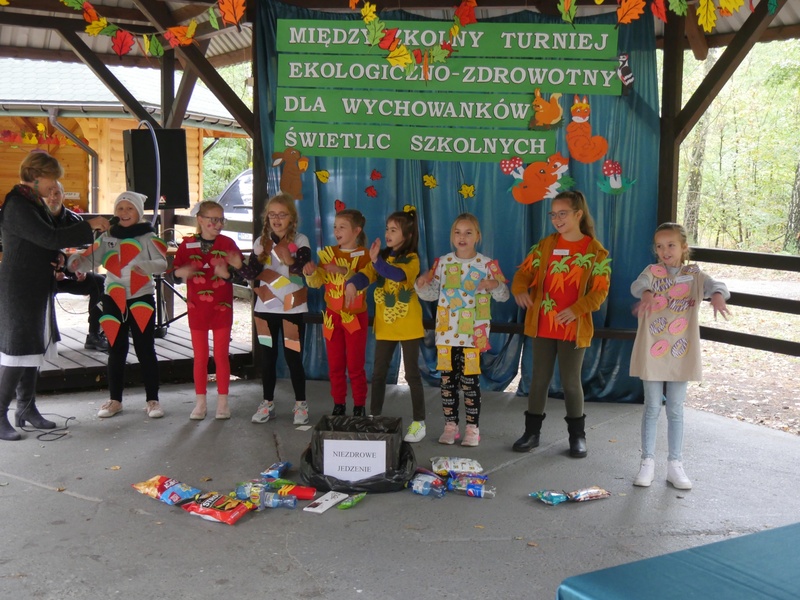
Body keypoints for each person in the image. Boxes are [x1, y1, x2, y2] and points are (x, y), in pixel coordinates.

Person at [0, 151, 108, 441]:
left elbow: (48, 239)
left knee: (32, 349)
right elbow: (48, 237)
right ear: (36, 176)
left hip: (35, 285)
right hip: (19, 288)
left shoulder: (32, 202)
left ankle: (26, 409)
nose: (54, 186)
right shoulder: (17, 204)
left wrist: (58, 255)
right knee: (17, 351)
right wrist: (89, 225)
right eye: (52, 179)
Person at [511, 190, 611, 458]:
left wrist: (576, 309)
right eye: (553, 214)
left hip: (573, 328)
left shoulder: (595, 251)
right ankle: (531, 433)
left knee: (570, 382)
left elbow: (600, 291)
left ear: (578, 214)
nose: (557, 219)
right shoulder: (545, 245)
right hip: (543, 325)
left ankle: (577, 436)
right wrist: (519, 288)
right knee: (538, 380)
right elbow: (524, 272)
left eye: (562, 213)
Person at [630, 222, 730, 490]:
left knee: (675, 409)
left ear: (684, 247)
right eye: (660, 246)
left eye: (671, 245)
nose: (665, 251)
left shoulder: (694, 274)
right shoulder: (651, 272)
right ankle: (647, 462)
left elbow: (716, 284)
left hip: (681, 351)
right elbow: (638, 285)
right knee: (652, 407)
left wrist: (718, 295)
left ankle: (675, 464)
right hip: (652, 349)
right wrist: (647, 293)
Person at [67, 191, 167, 419]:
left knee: (145, 348)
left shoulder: (148, 236)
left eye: (129, 208)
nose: (124, 212)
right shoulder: (107, 236)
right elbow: (90, 259)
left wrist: (145, 266)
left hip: (141, 297)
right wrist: (75, 263)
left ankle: (153, 400)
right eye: (120, 208)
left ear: (138, 212)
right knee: (116, 349)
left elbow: (162, 263)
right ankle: (115, 400)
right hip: (112, 297)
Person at [415, 213, 509, 447]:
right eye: (457, 232)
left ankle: (472, 428)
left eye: (468, 232)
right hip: (446, 336)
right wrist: (421, 286)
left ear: (477, 236)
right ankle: (450, 426)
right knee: (447, 383)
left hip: (473, 337)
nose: (462, 237)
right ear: (451, 236)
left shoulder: (486, 264)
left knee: (470, 383)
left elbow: (504, 296)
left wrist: (494, 284)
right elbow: (432, 294)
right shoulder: (443, 263)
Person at [345, 208, 425, 442]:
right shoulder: (380, 257)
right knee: (379, 373)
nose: (388, 234)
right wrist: (352, 284)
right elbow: (366, 275)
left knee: (412, 374)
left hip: (409, 326)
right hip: (385, 327)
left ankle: (419, 423)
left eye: (394, 230)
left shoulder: (412, 259)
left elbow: (396, 275)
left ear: (408, 235)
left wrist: (375, 261)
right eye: (387, 229)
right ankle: (374, 417)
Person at [240, 193, 312, 426]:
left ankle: (300, 404)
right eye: (272, 215)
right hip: (265, 308)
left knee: (293, 358)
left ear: (292, 218)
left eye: (282, 215)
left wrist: (290, 261)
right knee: (267, 358)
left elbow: (304, 269)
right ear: (267, 218)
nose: (277, 219)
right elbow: (252, 273)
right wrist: (237, 265)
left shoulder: (300, 240)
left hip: (292, 309)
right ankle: (267, 402)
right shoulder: (260, 243)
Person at [173, 201, 243, 421]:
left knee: (221, 355)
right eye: (213, 219)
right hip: (197, 308)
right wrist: (181, 273)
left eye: (221, 219)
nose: (218, 224)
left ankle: (223, 402)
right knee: (200, 357)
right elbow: (174, 274)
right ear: (200, 220)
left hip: (222, 308)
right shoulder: (187, 245)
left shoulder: (228, 243)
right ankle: (200, 402)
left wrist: (229, 274)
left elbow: (243, 275)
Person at [304, 209, 371, 416]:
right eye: (335, 227)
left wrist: (344, 271)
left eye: (342, 227)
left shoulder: (365, 256)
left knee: (355, 365)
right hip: (332, 318)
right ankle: (338, 403)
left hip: (355, 317)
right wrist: (311, 274)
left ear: (356, 231)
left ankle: (359, 405)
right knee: (335, 364)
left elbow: (364, 282)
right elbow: (318, 282)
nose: (336, 231)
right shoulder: (329, 254)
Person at [45, 182, 109, 351]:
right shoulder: (36, 221)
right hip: (40, 276)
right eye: (48, 193)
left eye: (57, 193)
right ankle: (41, 339)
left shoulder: (75, 220)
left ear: (63, 195)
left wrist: (80, 270)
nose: (52, 197)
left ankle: (94, 334)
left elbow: (83, 252)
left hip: (69, 273)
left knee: (100, 282)